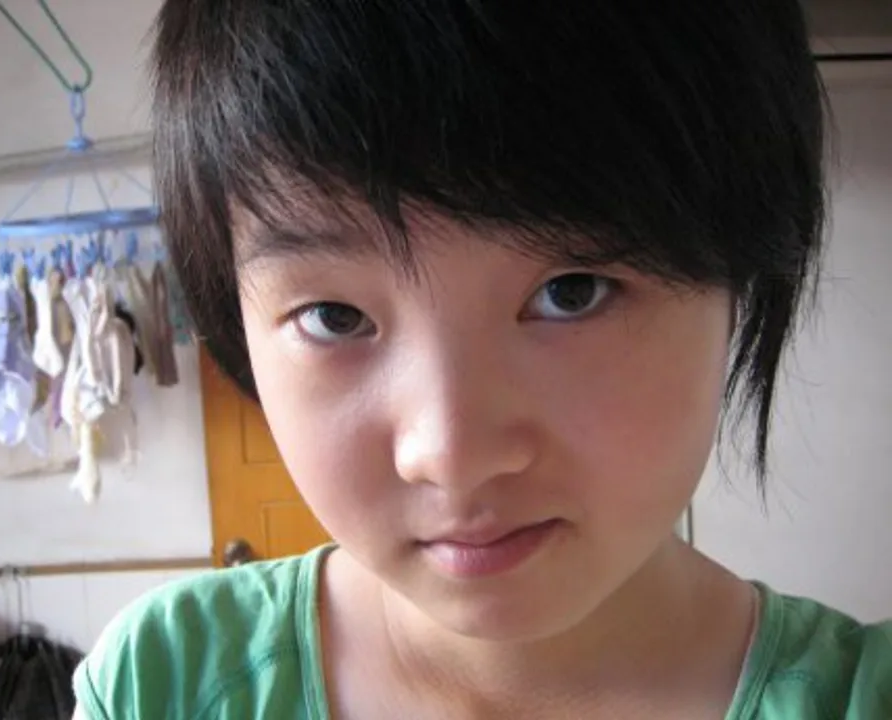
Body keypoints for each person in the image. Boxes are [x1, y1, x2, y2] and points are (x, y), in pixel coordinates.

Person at [73, 1, 892, 718]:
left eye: (573, 292)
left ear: (740, 273)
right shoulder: (163, 685)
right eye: (335, 316)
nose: (452, 454)